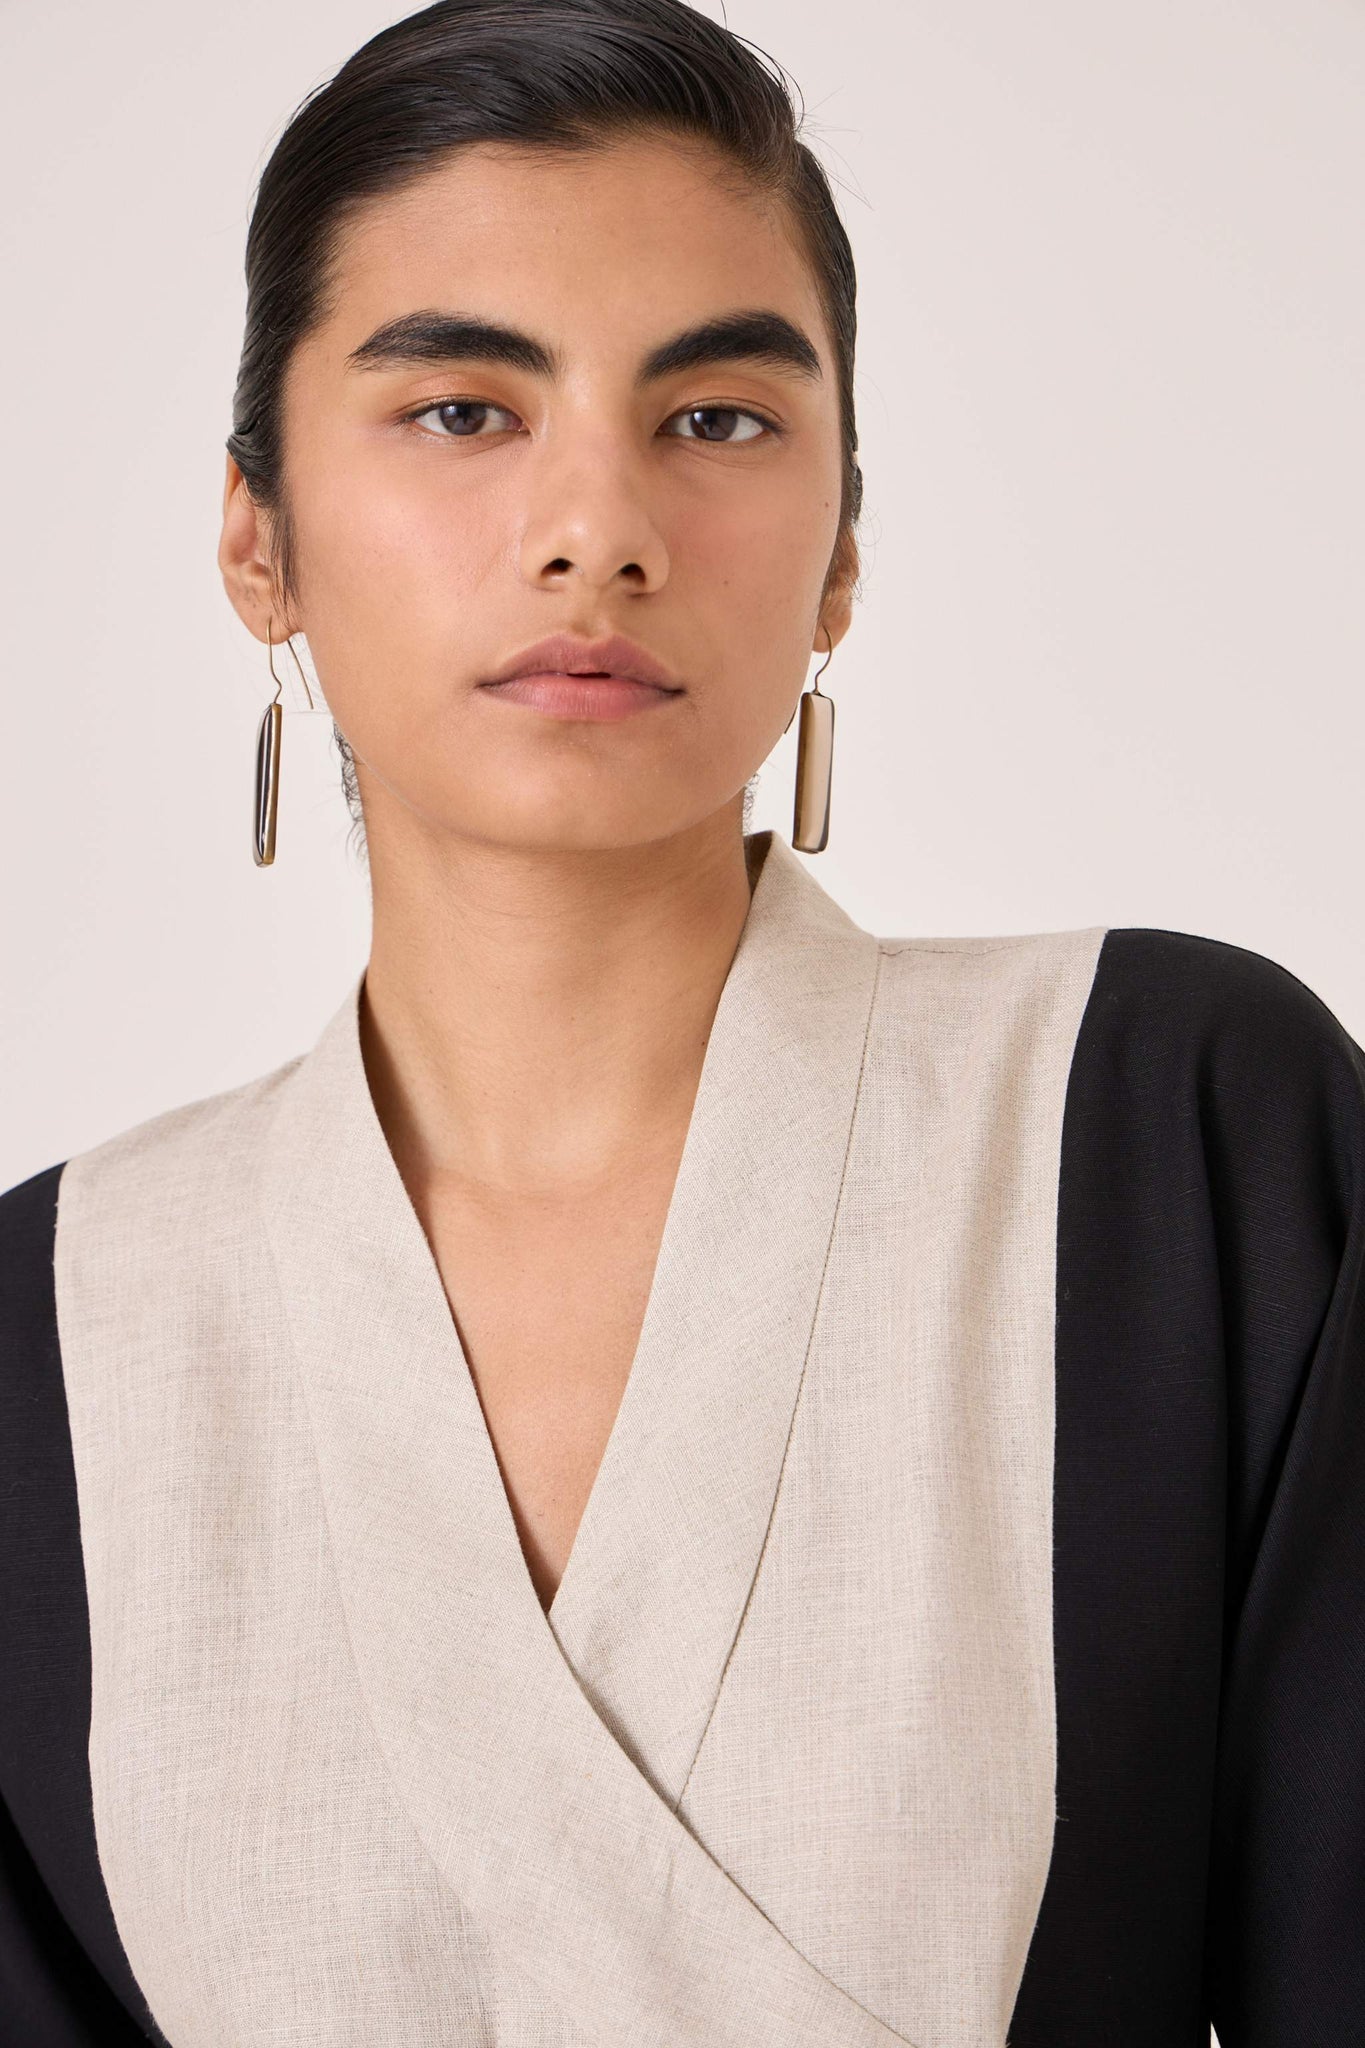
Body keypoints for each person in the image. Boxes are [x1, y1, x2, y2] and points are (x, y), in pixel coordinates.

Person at [1, 2, 1361, 2043]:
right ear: (255, 539)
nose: (597, 530)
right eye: (460, 409)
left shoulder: (1166, 1136)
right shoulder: (52, 1337)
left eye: (715, 419)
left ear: (839, 559)